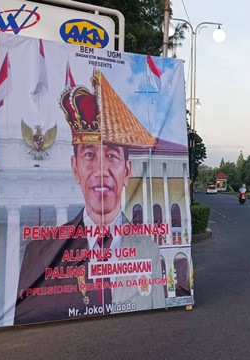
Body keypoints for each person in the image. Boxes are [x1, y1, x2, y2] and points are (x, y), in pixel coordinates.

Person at [15, 70, 166, 324]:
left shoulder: (148, 249)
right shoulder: (40, 251)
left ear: (127, 171)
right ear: (75, 168)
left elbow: (159, 320)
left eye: (112, 156)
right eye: (89, 155)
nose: (100, 170)